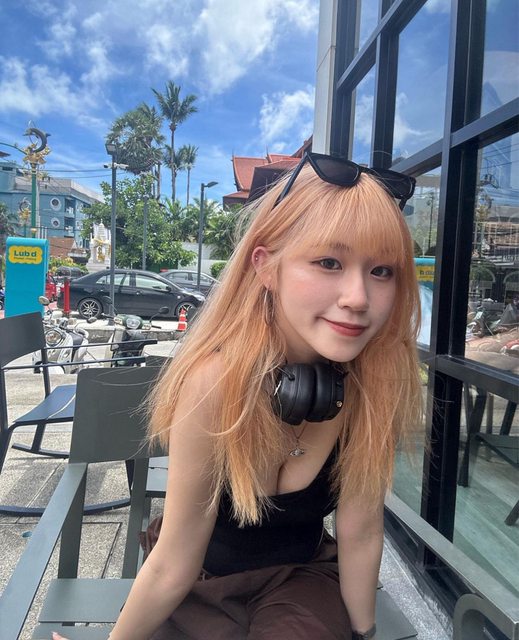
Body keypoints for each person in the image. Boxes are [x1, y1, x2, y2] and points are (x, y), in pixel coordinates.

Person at [53, 152, 421, 640]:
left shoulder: (373, 386)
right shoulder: (213, 382)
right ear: (266, 267)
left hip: (302, 580)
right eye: (329, 262)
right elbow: (174, 562)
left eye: (382, 271)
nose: (358, 297)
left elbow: (361, 532)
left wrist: (364, 635)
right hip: (203, 577)